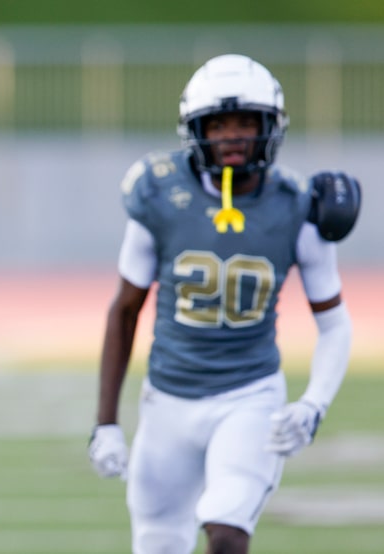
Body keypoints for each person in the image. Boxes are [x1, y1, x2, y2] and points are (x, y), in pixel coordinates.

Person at [88, 54, 360, 554]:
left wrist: (314, 404)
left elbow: (335, 324)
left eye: (244, 122)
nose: (232, 135)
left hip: (249, 396)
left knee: (227, 530)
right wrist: (105, 421)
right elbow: (124, 309)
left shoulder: (300, 205)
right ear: (196, 129)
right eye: (218, 123)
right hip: (167, 399)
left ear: (269, 128)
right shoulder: (159, 193)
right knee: (158, 543)